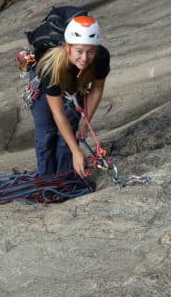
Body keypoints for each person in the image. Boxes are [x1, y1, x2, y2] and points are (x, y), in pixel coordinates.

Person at [29, 15, 110, 177]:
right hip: (46, 83)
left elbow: (96, 90)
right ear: (68, 47)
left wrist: (85, 124)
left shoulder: (101, 57)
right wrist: (76, 150)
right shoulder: (50, 66)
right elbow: (57, 113)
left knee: (69, 135)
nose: (85, 58)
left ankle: (65, 178)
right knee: (46, 133)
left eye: (90, 52)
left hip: (76, 84)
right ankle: (48, 181)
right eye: (79, 51)